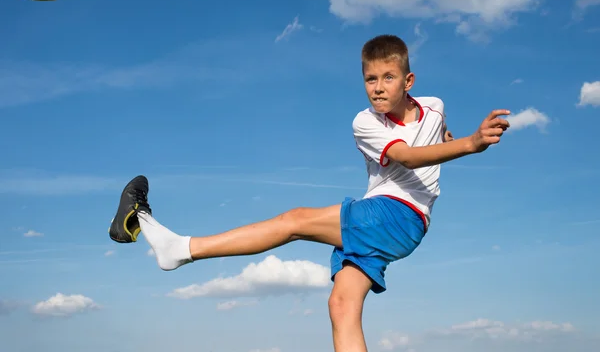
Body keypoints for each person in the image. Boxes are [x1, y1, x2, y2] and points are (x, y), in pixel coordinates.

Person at [108, 34, 510, 352]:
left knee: (296, 220)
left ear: (409, 82)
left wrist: (463, 140)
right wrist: (467, 143)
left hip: (399, 215)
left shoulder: (435, 106)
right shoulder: (364, 123)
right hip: (391, 223)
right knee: (341, 306)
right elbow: (407, 156)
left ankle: (181, 249)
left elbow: (433, 135)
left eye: (388, 78)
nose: (378, 88)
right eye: (370, 79)